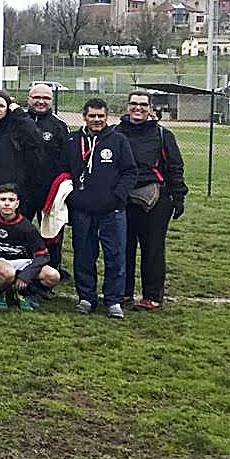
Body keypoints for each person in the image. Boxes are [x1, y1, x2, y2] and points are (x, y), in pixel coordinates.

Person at [64, 98, 137, 319]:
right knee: (84, 254)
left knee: (115, 255)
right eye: (92, 116)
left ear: (107, 117)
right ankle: (86, 297)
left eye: (101, 116)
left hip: (112, 210)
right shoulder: (72, 141)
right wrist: (73, 197)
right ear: (84, 116)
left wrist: (116, 197)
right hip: (82, 210)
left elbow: (130, 172)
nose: (96, 120)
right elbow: (63, 172)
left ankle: (114, 300)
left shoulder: (118, 141)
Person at [117, 91, 187, 311]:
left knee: (153, 250)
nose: (138, 108)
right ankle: (123, 293)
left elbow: (175, 167)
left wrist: (178, 196)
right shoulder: (115, 133)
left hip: (156, 200)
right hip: (123, 199)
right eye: (134, 104)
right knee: (123, 248)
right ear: (127, 107)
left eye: (143, 105)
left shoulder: (162, 135)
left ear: (150, 108)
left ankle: (152, 296)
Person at [0, 183, 59, 312]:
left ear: (17, 203)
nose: (7, 203)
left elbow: (43, 255)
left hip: (21, 261)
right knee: (7, 273)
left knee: (53, 275)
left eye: (11, 200)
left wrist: (26, 275)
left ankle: (26, 292)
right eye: (3, 200)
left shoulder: (27, 228)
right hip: (0, 260)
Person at [24, 82, 72, 277]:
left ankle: (53, 268)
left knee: (52, 232)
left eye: (45, 98)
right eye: (36, 97)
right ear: (29, 99)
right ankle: (24, 265)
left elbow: (67, 160)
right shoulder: (17, 122)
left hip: (49, 192)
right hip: (21, 190)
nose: (41, 101)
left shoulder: (59, 126)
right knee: (21, 230)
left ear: (51, 100)